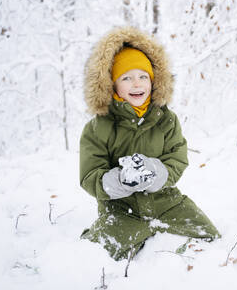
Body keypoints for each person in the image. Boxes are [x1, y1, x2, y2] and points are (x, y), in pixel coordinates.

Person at [79, 26, 220, 261]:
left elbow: (177, 156)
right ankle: (116, 238)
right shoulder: (99, 127)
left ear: (154, 81)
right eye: (127, 78)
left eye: (143, 76)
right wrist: (121, 180)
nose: (137, 84)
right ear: (111, 85)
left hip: (166, 202)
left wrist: (156, 173)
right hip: (121, 208)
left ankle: (152, 233)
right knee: (96, 254)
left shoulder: (165, 119)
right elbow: (89, 175)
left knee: (209, 235)